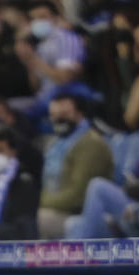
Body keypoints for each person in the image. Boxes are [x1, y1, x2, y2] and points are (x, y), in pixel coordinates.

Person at [37, 90, 114, 239]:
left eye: (64, 114)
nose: (58, 119)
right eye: (53, 115)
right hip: (58, 208)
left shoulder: (90, 143)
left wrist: (41, 201)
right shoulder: (55, 144)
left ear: (80, 114)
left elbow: (79, 196)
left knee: (39, 218)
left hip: (82, 213)